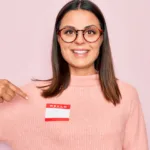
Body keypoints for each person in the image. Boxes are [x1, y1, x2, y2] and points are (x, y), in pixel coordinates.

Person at [0, 0, 148, 149]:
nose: (79, 40)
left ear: (102, 38)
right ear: (58, 38)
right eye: (69, 32)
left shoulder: (125, 95)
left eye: (90, 32)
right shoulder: (27, 97)